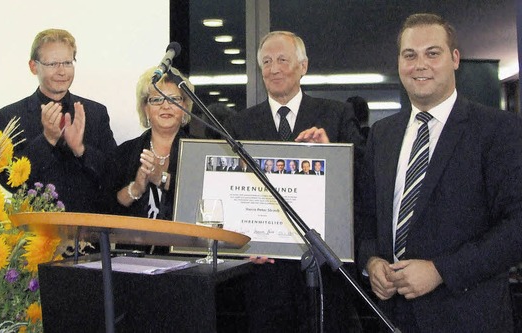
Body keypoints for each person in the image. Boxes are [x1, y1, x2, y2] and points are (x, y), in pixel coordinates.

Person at [357, 13, 522, 332]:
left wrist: (441, 271)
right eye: (410, 55)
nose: (420, 64)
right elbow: (366, 217)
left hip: (469, 316)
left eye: (432, 53)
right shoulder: (382, 134)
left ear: (455, 58)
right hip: (392, 317)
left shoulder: (498, 130)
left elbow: (516, 226)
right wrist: (371, 260)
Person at [225, 30, 364, 332]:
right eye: (266, 62)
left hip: (323, 272)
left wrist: (332, 156)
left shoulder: (337, 115)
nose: (274, 69)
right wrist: (243, 244)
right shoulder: (240, 124)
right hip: (264, 275)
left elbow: (363, 177)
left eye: (283, 60)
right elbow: (229, 191)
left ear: (303, 66)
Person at [0, 29, 116, 215]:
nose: (61, 71)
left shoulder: (95, 113)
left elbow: (113, 175)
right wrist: (47, 140)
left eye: (67, 63)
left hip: (89, 231)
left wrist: (80, 150)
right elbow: (8, 180)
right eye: (52, 64)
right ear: (33, 66)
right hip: (35, 232)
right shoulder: (10, 116)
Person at [111, 66, 194, 254]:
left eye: (174, 99)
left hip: (185, 259)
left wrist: (160, 178)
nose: (166, 106)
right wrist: (136, 188)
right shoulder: (125, 152)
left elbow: (199, 201)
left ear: (185, 107)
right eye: (156, 100)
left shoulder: (198, 151)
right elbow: (110, 208)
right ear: (145, 109)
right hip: (133, 262)